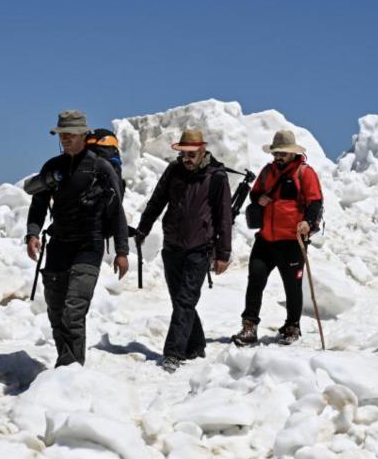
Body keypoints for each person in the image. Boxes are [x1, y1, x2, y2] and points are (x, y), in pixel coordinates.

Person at [25, 110, 129, 367]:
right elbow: (38, 203)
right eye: (62, 135)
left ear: (84, 135)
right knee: (56, 311)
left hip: (89, 245)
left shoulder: (100, 167)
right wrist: (32, 233)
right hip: (59, 244)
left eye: (71, 134)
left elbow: (117, 211)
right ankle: (66, 365)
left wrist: (121, 251)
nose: (66, 139)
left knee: (73, 310)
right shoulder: (52, 168)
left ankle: (70, 371)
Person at [133, 130, 234, 371]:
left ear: (202, 151)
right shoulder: (173, 171)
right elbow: (157, 201)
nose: (186, 158)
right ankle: (196, 345)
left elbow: (224, 218)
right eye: (183, 153)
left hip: (200, 249)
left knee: (185, 300)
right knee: (179, 300)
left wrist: (223, 253)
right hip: (172, 247)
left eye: (191, 154)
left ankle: (173, 353)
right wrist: (143, 229)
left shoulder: (216, 176)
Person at [232, 130, 323, 346]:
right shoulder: (267, 172)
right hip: (265, 239)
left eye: (282, 153)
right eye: (276, 153)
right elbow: (255, 195)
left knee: (292, 286)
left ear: (292, 152)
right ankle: (249, 326)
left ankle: (292, 326)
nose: (279, 157)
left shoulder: (305, 173)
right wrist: (259, 199)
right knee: (255, 280)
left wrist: (307, 223)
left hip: (292, 241)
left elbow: (315, 202)